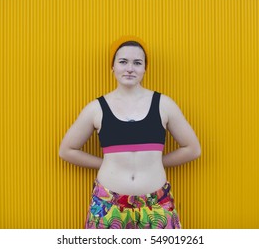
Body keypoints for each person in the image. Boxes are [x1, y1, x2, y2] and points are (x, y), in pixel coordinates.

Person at [59, 35, 201, 229]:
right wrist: (107, 163)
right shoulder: (96, 108)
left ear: (145, 68)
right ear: (113, 66)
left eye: (137, 63)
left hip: (156, 206)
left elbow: (192, 149)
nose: (130, 68)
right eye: (123, 61)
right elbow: (67, 150)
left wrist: (156, 161)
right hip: (109, 206)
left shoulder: (164, 105)